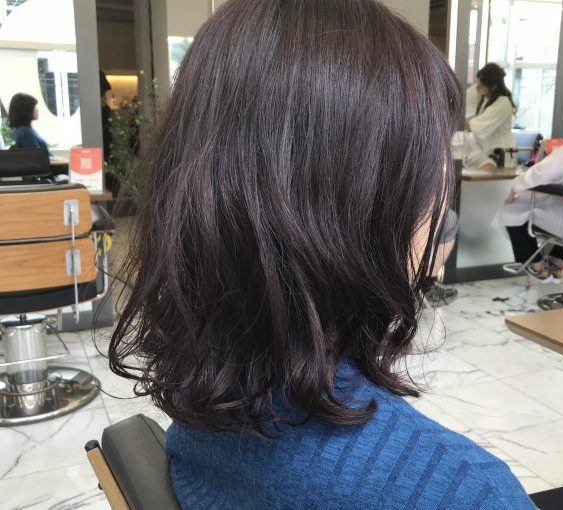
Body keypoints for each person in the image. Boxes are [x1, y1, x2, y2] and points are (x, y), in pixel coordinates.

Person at [108, 1, 534, 508]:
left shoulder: (205, 393)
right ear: (360, 200)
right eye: (434, 153)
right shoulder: (471, 494)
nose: (445, 187)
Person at [497, 88, 563, 282]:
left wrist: (518, 185)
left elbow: (545, 170)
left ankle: (537, 267)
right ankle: (557, 261)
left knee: (512, 208)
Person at [464, 63, 517, 169]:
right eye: (477, 83)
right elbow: (464, 100)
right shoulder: (485, 98)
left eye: (481, 86)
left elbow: (474, 127)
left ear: (493, 87)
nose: (477, 88)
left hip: (501, 154)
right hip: (487, 152)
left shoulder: (503, 103)